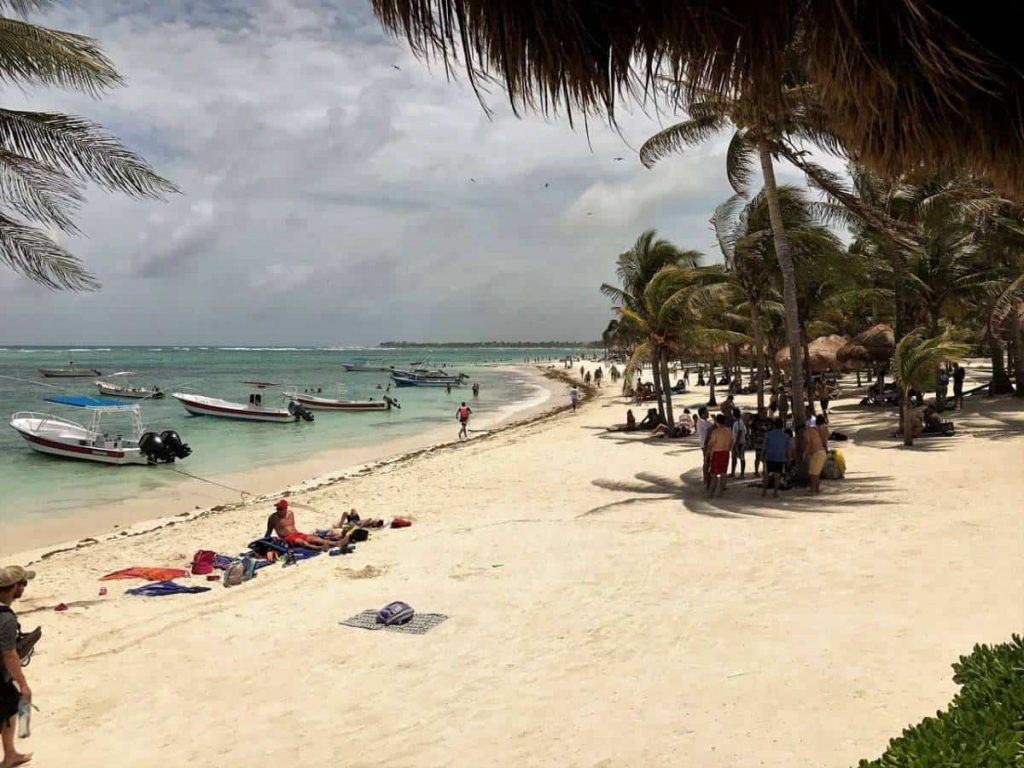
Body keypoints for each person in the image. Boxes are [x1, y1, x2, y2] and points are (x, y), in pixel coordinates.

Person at [1, 565, 33, 768]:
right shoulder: (6, 619)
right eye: (24, 584)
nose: (25, 588)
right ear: (15, 587)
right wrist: (23, 684)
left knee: (8, 710)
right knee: (11, 706)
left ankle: (11, 754)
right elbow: (9, 654)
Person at [265, 499, 345, 551]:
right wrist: (265, 542)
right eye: (277, 509)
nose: (278, 510)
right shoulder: (273, 518)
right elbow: (268, 532)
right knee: (302, 543)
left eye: (280, 509)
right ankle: (320, 548)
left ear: (286, 508)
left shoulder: (290, 513)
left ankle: (337, 543)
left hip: (297, 534)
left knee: (316, 539)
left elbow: (292, 527)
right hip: (287, 538)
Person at [761, 418, 791, 498]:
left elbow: (764, 447)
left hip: (769, 457)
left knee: (767, 474)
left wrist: (761, 456)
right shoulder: (786, 436)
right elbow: (787, 450)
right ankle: (775, 492)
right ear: (782, 426)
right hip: (780, 458)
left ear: (774, 425)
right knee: (777, 475)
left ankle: (764, 492)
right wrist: (788, 459)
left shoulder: (768, 434)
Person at [705, 414, 733, 497]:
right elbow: (732, 441)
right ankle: (721, 492)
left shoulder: (715, 432)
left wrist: (707, 455)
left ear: (717, 422)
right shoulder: (729, 430)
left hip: (717, 453)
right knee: (723, 473)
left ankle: (711, 493)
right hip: (726, 452)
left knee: (713, 474)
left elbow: (711, 445)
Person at [798, 423, 826, 495]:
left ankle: (812, 491)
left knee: (812, 473)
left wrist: (804, 453)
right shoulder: (813, 430)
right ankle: (816, 489)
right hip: (821, 453)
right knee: (816, 473)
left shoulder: (806, 432)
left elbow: (808, 442)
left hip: (817, 453)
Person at [730, 408, 748, 478]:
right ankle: (733, 472)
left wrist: (736, 443)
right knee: (734, 457)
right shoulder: (737, 422)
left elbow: (739, 432)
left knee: (742, 457)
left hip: (740, 443)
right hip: (737, 442)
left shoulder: (739, 422)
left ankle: (742, 474)